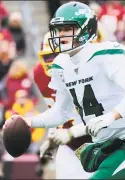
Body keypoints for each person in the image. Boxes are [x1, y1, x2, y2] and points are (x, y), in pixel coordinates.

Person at [4, 2, 125, 179]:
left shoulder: (105, 55)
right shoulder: (61, 64)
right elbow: (61, 113)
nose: (60, 35)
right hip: (101, 147)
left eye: (67, 29)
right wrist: (29, 122)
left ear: (86, 29)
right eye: (58, 30)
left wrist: (111, 116)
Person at [35, 31, 93, 179]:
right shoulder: (40, 74)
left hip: (103, 142)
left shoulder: (89, 71)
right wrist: (52, 137)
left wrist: (71, 133)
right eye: (49, 57)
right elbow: (56, 109)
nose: (54, 63)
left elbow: (103, 118)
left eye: (59, 56)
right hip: (71, 144)